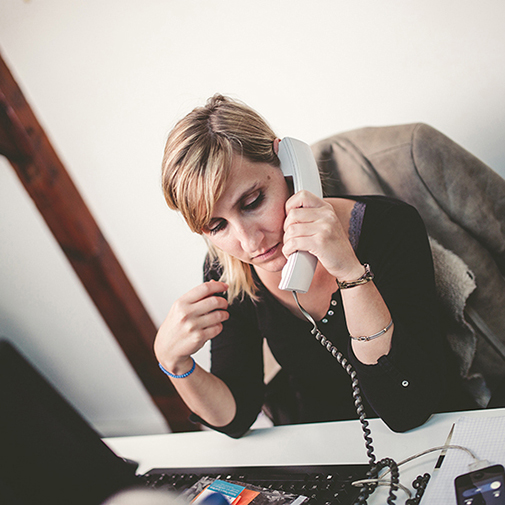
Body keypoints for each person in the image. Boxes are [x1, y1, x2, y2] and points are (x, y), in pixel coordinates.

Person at [154, 94, 475, 438]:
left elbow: (407, 408)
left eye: (252, 202)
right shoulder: (227, 270)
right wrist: (173, 362)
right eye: (217, 226)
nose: (249, 243)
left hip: (439, 436)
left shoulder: (389, 226)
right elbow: (236, 416)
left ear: (289, 166)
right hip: (327, 449)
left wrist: (351, 274)